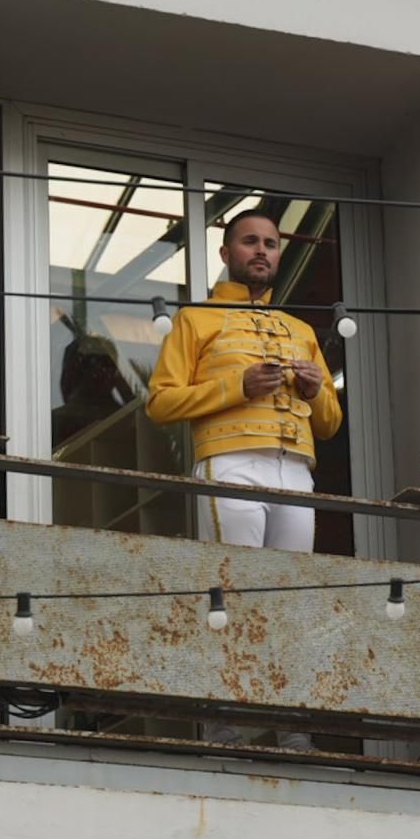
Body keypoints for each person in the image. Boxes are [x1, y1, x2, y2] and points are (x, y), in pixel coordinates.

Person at [146, 209, 344, 749]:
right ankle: (223, 719)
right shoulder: (196, 319)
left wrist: (311, 391)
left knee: (289, 597)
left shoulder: (301, 331)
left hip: (295, 471)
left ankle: (292, 724)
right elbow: (160, 402)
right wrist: (237, 387)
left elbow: (330, 421)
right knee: (230, 591)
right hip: (230, 460)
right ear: (226, 252)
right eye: (250, 242)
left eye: (271, 244)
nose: (262, 251)